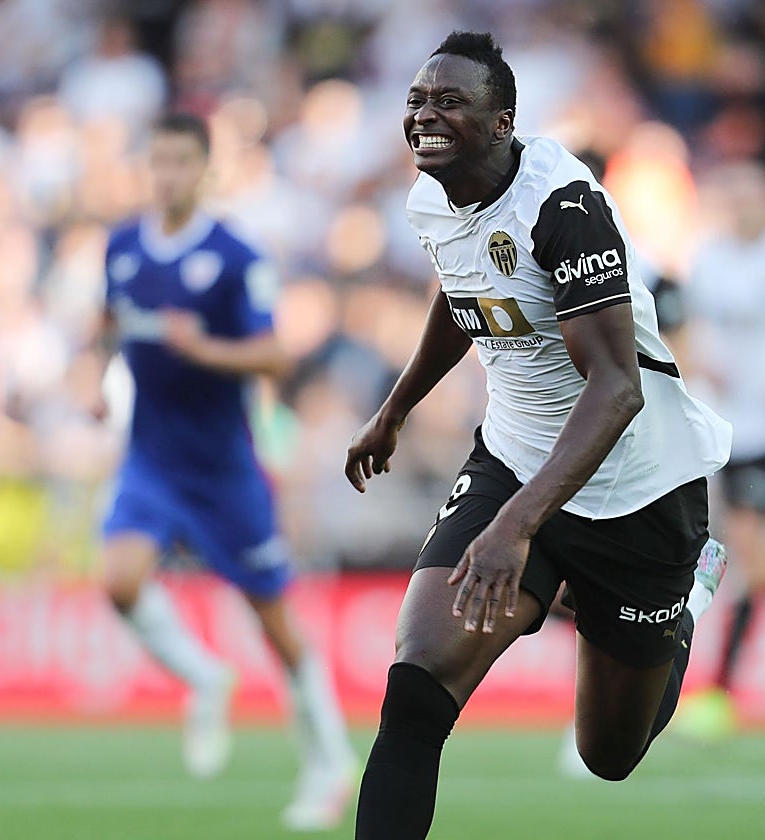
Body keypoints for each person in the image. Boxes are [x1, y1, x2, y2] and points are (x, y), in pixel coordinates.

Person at [344, 32, 732, 839]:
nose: (425, 116)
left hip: (636, 485)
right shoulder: (430, 199)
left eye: (449, 102)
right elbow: (463, 291)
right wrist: (396, 407)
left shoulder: (563, 207)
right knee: (415, 690)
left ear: (502, 123)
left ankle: (687, 597)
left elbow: (617, 389)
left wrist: (514, 529)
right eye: (417, 100)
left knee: (608, 754)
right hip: (515, 458)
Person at [98, 112, 358, 831]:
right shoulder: (122, 247)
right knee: (118, 581)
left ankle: (330, 762)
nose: (168, 176)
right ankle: (206, 677)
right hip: (151, 459)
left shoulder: (235, 257)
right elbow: (108, 325)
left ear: (204, 169)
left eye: (181, 162)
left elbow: (275, 356)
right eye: (158, 161)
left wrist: (205, 349)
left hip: (223, 470)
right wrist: (99, 378)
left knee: (274, 622)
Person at [675, 162, 765, 739]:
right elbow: (683, 330)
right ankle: (719, 690)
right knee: (748, 559)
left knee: (750, 562)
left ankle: (720, 689)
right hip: (736, 435)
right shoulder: (707, 260)